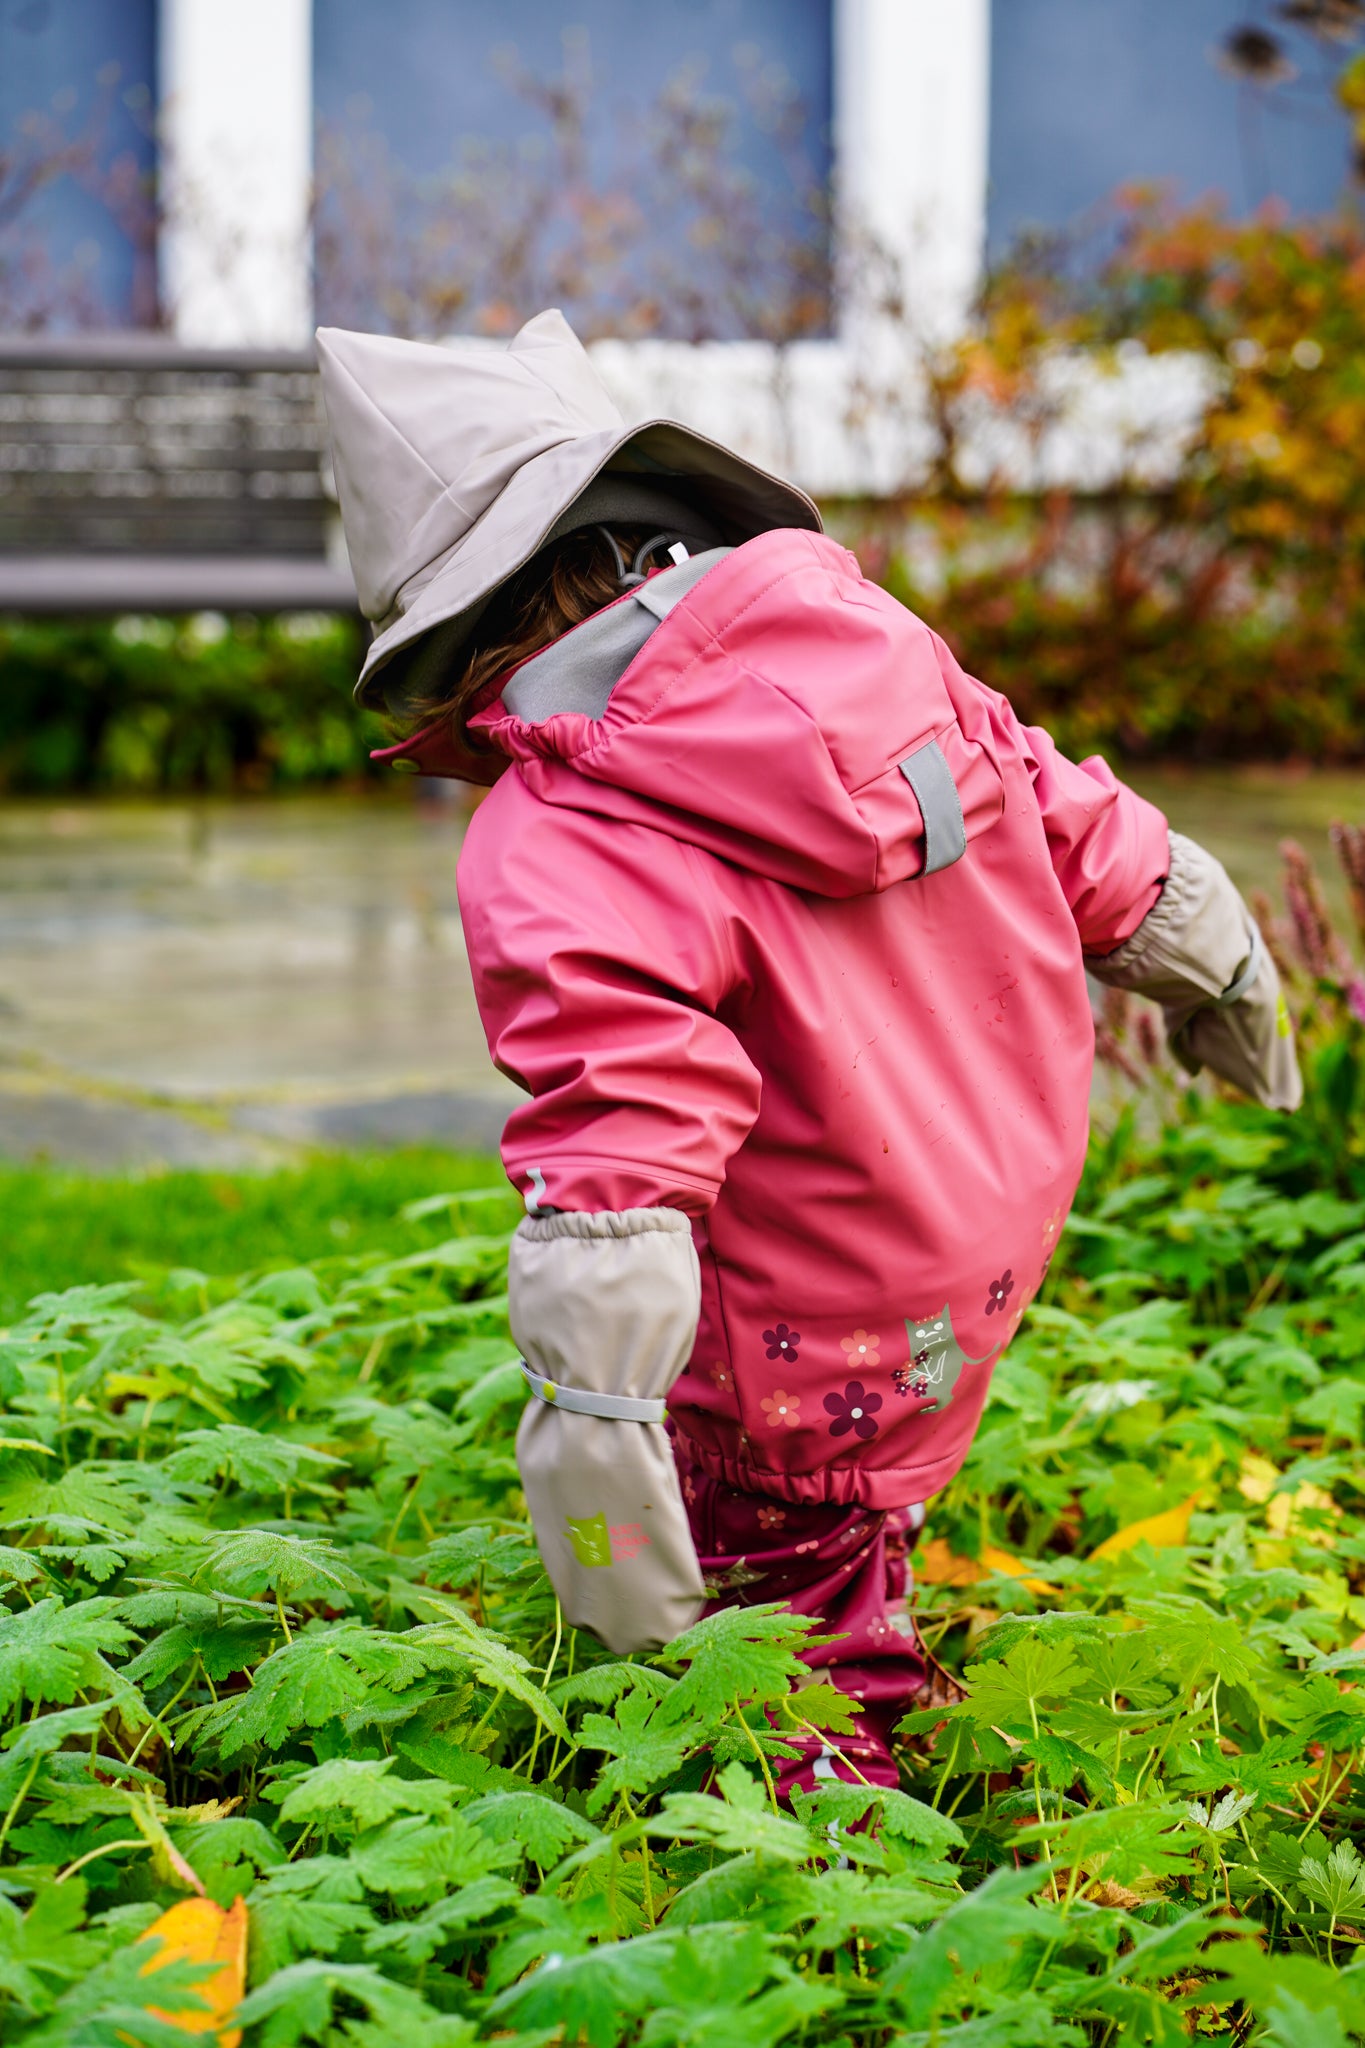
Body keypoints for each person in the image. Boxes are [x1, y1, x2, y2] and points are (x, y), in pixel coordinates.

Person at [317, 311, 1301, 1795]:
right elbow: (1059, 805)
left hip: (794, 1338)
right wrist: (1211, 947)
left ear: (459, 635)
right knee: (860, 1487)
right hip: (980, 1235)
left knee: (774, 1626)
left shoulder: (564, 828)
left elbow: (626, 1132)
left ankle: (839, 1845)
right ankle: (867, 1588)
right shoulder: (873, 647)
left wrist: (594, 1418)